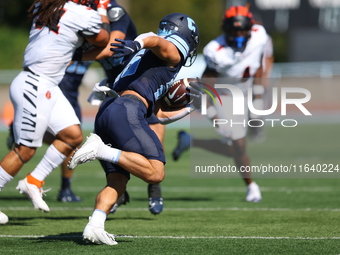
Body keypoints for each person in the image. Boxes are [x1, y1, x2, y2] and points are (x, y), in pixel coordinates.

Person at [67, 12, 200, 245]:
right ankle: (100, 150)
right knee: (156, 173)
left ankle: (94, 225)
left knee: (117, 181)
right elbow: (155, 39)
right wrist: (137, 43)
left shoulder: (151, 63)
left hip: (110, 109)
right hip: (127, 109)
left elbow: (157, 115)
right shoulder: (170, 51)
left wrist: (190, 109)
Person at [0, 0, 110, 224]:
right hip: (36, 83)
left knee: (72, 136)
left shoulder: (46, 5)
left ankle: (34, 180)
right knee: (25, 151)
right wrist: (102, 9)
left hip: (46, 84)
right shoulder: (80, 12)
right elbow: (103, 38)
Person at [173, 5, 268, 203]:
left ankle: (190, 141)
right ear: (226, 30)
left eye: (243, 29)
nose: (239, 34)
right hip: (226, 95)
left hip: (247, 91)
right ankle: (252, 187)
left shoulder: (260, 36)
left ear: (251, 27)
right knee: (239, 145)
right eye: (235, 30)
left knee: (233, 149)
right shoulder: (216, 51)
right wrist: (213, 115)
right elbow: (206, 87)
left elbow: (258, 62)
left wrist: (258, 95)